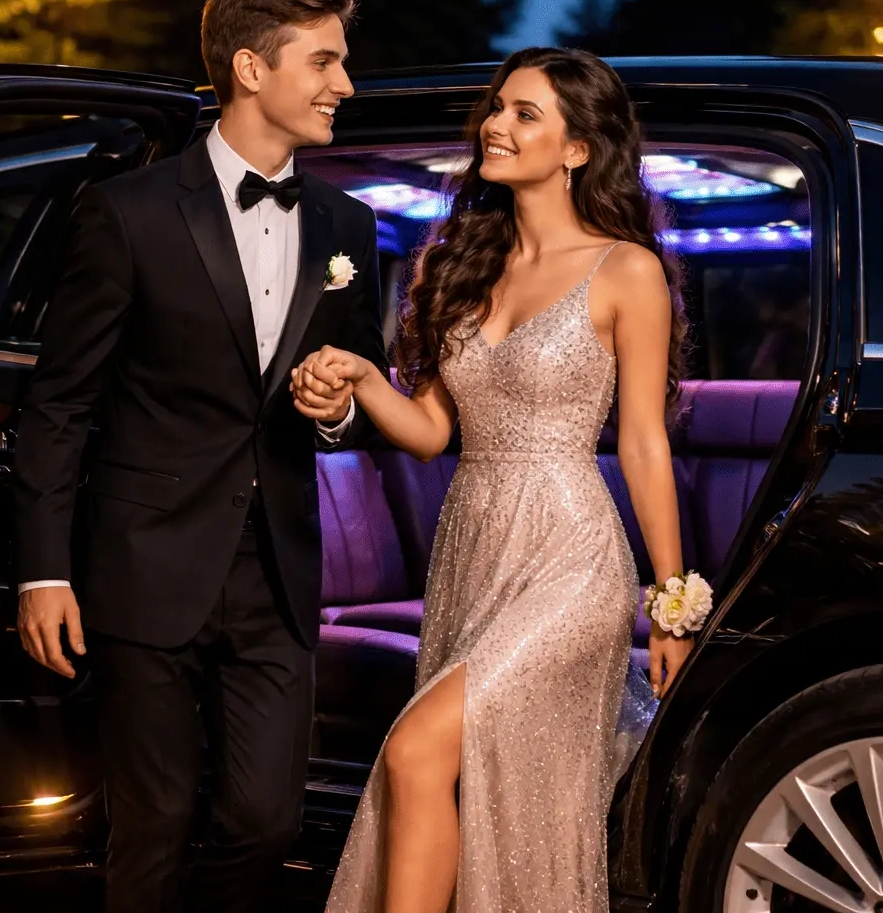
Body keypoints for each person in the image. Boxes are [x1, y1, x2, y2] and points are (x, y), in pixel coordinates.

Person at [12, 0, 387, 913]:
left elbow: (358, 381)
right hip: (145, 563)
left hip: (278, 570)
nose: (345, 84)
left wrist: (333, 407)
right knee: (156, 814)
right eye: (326, 61)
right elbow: (60, 404)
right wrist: (42, 571)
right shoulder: (129, 212)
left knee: (265, 820)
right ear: (253, 67)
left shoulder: (348, 226)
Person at [299, 48, 699, 913]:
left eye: (525, 115)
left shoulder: (627, 270)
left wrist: (670, 603)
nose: (496, 125)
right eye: (497, 107)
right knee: (444, 776)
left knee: (413, 753)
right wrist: (367, 380)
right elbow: (433, 433)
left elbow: (642, 445)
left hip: (570, 558)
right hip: (473, 551)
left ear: (578, 149)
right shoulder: (463, 264)